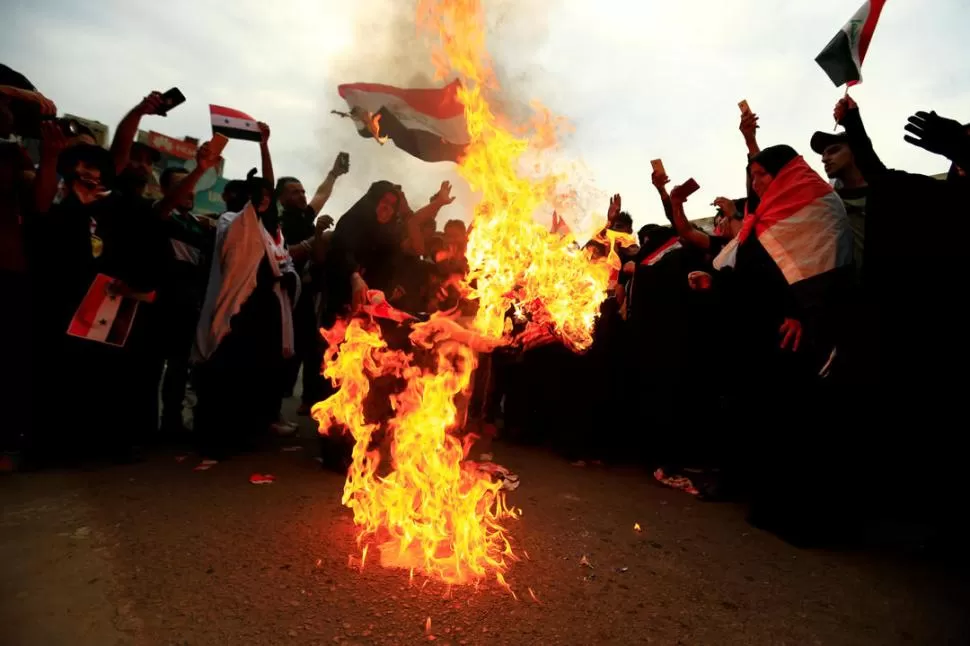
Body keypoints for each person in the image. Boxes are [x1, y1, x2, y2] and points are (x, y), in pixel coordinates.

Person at [31, 141, 175, 464]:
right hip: (61, 306)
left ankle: (105, 445)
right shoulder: (59, 203)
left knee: (106, 378)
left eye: (93, 167)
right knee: (61, 378)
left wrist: (136, 283)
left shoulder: (123, 208)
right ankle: (55, 447)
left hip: (109, 307)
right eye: (79, 168)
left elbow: (151, 239)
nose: (86, 173)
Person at [193, 171, 300, 459]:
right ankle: (215, 437)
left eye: (268, 196)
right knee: (225, 374)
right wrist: (252, 207)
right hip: (238, 310)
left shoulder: (270, 232)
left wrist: (286, 277)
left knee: (254, 374)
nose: (265, 200)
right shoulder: (233, 221)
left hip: (263, 312)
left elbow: (283, 262)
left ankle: (246, 431)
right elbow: (237, 252)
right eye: (259, 195)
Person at [276, 152, 348, 414]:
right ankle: (271, 407)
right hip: (284, 295)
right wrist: (315, 239)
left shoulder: (304, 217)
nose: (302, 195)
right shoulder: (277, 222)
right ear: (281, 198)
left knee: (311, 346)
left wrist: (334, 174)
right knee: (285, 350)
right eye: (294, 192)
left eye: (302, 191)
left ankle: (308, 401)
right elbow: (283, 253)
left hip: (307, 294)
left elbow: (321, 195)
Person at [152, 164, 218, 435]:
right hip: (158, 304)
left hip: (189, 306)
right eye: (181, 184)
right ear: (165, 190)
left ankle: (171, 422)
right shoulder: (159, 214)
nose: (189, 190)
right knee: (151, 368)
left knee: (180, 368)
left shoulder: (198, 224)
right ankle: (141, 425)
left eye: (191, 185)